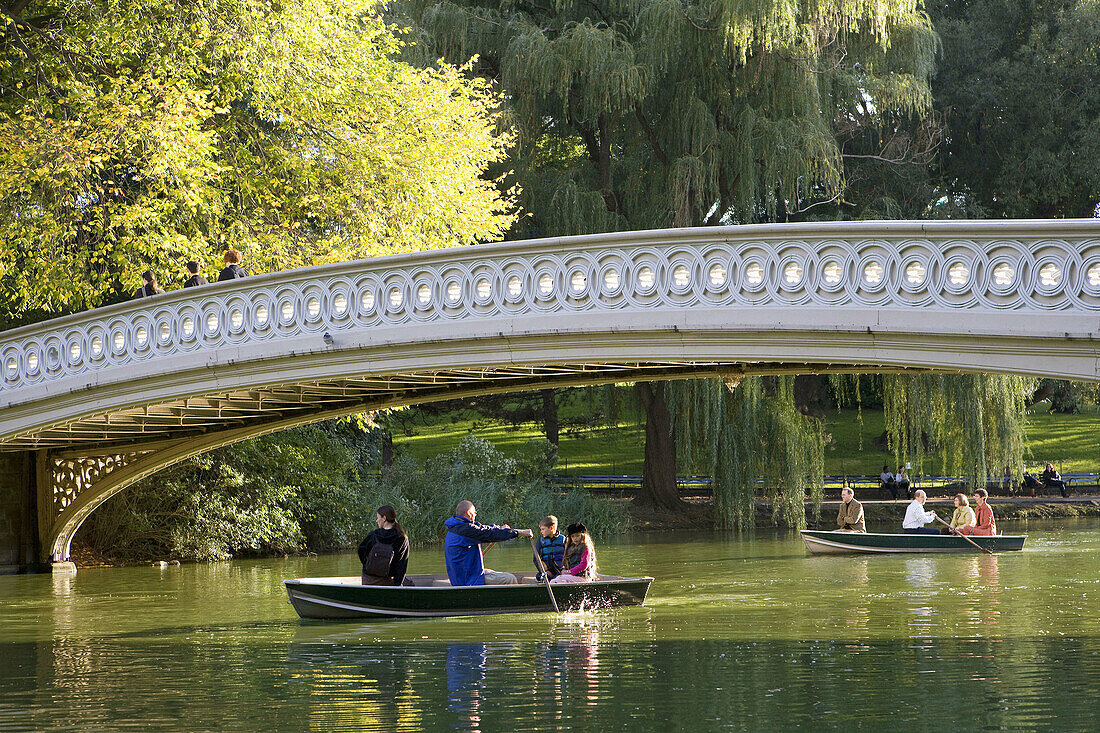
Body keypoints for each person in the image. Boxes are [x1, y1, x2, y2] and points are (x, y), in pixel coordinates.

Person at [444, 500, 532, 586]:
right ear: (469, 513)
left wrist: (500, 528)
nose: (475, 515)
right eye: (475, 512)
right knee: (510, 578)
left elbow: (484, 529)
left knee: (491, 571)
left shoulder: (456, 527)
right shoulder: (465, 530)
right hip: (467, 579)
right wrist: (519, 532)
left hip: (464, 573)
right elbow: (489, 534)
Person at [357, 505, 410, 586]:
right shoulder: (402, 538)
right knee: (410, 584)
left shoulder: (373, 535)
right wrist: (398, 585)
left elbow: (361, 550)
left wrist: (368, 565)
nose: (376, 520)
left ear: (384, 518)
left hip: (368, 580)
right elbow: (401, 565)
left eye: (378, 517)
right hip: (388, 581)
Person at [533, 515, 566, 580]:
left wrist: (566, 570)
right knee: (540, 577)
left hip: (561, 570)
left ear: (551, 528)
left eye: (543, 529)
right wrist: (545, 571)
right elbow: (536, 559)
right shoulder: (540, 542)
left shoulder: (563, 540)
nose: (541, 532)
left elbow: (569, 556)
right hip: (547, 571)